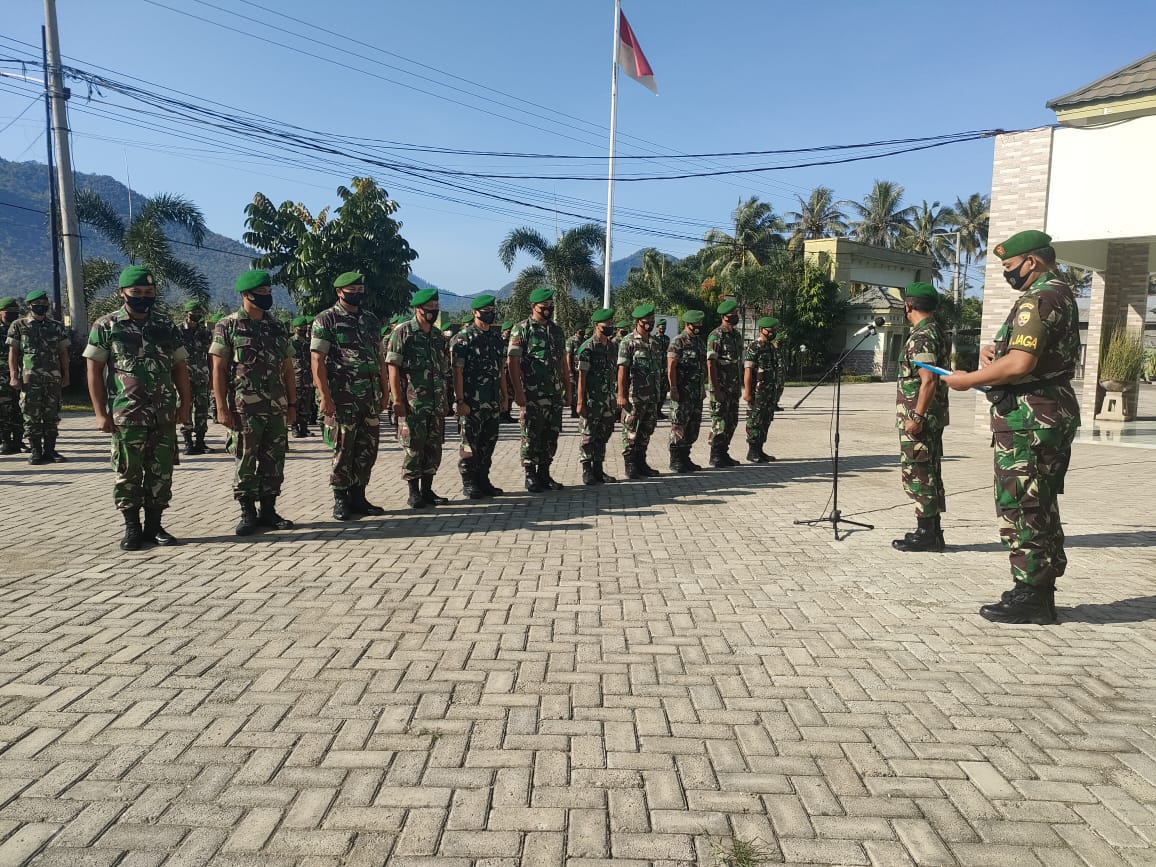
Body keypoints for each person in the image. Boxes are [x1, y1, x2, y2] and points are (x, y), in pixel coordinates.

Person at [946, 230, 1080, 625]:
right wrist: (994, 353)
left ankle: (1032, 596)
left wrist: (969, 378)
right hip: (1046, 410)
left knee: (1022, 502)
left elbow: (1021, 365)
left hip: (1030, 416)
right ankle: (1036, 587)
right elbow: (1024, 353)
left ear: (1032, 262)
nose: (1008, 274)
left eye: (1009, 267)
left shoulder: (1039, 297)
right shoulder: (1061, 293)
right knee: (1040, 499)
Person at [83, 266, 191, 550]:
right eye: (137, 292)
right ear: (122, 293)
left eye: (148, 292)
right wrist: (100, 413)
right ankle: (132, 528)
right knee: (128, 472)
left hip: (163, 413)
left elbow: (180, 368)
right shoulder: (106, 326)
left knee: (161, 471)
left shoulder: (166, 326)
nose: (143, 297)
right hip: (127, 414)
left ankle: (154, 528)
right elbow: (93, 370)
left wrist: (185, 405)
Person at [211, 270, 297, 536]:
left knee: (274, 460)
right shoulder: (228, 326)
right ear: (245, 295)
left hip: (275, 406)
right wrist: (222, 408)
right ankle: (248, 513)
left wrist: (293, 404)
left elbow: (287, 368)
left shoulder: (276, 326)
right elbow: (218, 369)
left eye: (269, 293)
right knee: (245, 459)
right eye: (261, 294)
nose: (266, 298)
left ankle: (269, 511)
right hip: (243, 408)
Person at [311, 271, 389, 521]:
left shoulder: (371, 320)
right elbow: (317, 360)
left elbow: (379, 358)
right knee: (344, 448)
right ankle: (340, 499)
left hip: (369, 397)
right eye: (351, 290)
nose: (357, 294)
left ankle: (359, 496)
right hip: (341, 397)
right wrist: (324, 396)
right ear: (339, 292)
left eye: (359, 289)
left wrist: (385, 391)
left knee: (368, 448)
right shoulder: (326, 320)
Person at [892, 283, 950, 553]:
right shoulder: (936, 331)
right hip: (931, 418)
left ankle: (927, 533)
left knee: (919, 473)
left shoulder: (922, 337)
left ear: (908, 306)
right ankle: (931, 530)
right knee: (928, 471)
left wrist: (916, 416)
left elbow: (928, 381)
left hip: (920, 420)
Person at [388, 288, 451, 508]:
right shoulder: (403, 333)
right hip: (412, 404)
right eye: (429, 309)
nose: (433, 313)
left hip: (435, 402)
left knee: (433, 447)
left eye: (435, 308)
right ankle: (413, 492)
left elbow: (443, 370)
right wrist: (396, 399)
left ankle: (428, 490)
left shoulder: (437, 336)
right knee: (414, 447)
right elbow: (393, 368)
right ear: (418, 309)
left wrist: (445, 398)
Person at [508, 287, 570, 492]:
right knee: (531, 434)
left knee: (551, 434)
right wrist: (518, 391)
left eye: (551, 307)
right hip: (531, 394)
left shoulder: (556, 330)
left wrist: (567, 389)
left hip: (553, 393)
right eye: (544, 307)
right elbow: (513, 361)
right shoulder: (522, 329)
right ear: (534, 307)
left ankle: (544, 472)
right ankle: (530, 474)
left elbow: (563, 362)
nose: (548, 310)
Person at [451, 294, 507, 499]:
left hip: (491, 401)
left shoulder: (496, 338)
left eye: (492, 310)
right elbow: (457, 372)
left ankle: (484, 480)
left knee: (488, 443)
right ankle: (469, 483)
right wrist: (459, 401)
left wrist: (505, 396)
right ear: (475, 312)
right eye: (486, 311)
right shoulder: (463, 339)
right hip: (471, 402)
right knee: (469, 444)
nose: (490, 314)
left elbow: (500, 370)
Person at [7, 289, 70, 465]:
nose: (41, 307)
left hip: (53, 379)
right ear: (29, 305)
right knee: (31, 416)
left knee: (52, 416)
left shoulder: (56, 326)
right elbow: (13, 353)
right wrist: (14, 376)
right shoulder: (19, 326)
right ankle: (35, 451)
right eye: (37, 304)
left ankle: (50, 450)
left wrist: (66, 375)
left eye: (44, 304)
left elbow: (63, 352)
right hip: (30, 379)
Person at [618, 303, 662, 479]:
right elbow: (622, 371)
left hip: (651, 396)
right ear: (638, 322)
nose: (649, 324)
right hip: (633, 396)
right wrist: (621, 395)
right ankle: (630, 464)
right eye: (646, 321)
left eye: (652, 321)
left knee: (646, 430)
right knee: (631, 430)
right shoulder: (628, 342)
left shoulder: (655, 343)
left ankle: (641, 462)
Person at [576, 308, 618, 485]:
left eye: (610, 324)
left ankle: (598, 469)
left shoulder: (611, 346)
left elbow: (613, 373)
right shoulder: (588, 348)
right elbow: (582, 376)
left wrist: (614, 396)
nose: (609, 327)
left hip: (607, 398)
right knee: (588, 435)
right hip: (591, 399)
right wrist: (580, 401)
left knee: (603, 434)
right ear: (596, 326)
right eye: (605, 325)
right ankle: (587, 470)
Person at [667, 310, 707, 473]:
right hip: (682, 392)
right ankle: (675, 459)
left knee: (693, 427)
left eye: (699, 325)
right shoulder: (678, 342)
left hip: (696, 393)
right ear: (687, 325)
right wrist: (673, 388)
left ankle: (685, 457)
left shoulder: (699, 343)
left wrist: (702, 388)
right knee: (679, 426)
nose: (697, 328)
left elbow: (702, 368)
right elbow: (671, 367)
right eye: (694, 326)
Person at [706, 299, 743, 467]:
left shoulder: (736, 336)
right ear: (724, 316)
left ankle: (723, 452)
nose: (736, 316)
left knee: (732, 421)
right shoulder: (716, 335)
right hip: (720, 387)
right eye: (733, 314)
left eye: (736, 313)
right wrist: (715, 389)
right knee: (719, 422)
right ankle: (715, 454)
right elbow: (711, 363)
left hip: (733, 387)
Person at [177, 300, 213, 455]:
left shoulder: (205, 332)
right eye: (194, 313)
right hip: (183, 376)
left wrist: (211, 376)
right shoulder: (178, 331)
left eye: (199, 313)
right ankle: (187, 442)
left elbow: (211, 355)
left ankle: (200, 441)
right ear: (187, 313)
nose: (196, 315)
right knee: (185, 406)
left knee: (202, 409)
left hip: (202, 375)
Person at [743, 316, 780, 463]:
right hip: (757, 392)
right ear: (761, 330)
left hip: (769, 392)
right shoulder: (754, 346)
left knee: (766, 420)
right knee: (755, 420)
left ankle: (760, 449)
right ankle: (752, 451)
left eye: (774, 331)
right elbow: (748, 370)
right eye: (769, 331)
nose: (772, 333)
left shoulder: (771, 347)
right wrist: (747, 392)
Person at [0, 297, 24, 455]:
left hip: (20, 373)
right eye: (9, 313)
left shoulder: (21, 329)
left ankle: (18, 440)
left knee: (20, 408)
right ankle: (5, 441)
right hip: (2, 376)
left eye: (16, 313)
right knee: (3, 409)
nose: (12, 316)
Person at [290, 315, 315, 437]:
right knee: (295, 404)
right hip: (295, 378)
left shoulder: (309, 343)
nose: (303, 330)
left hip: (308, 378)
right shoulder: (290, 343)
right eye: (301, 328)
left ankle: (304, 428)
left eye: (305, 328)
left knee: (306, 405)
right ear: (295, 329)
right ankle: (294, 428)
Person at [565, 325, 586, 418]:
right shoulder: (571, 340)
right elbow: (568, 355)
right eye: (580, 329)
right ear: (576, 330)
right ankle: (574, 410)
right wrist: (569, 370)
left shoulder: (585, 340)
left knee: (582, 388)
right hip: (574, 369)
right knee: (574, 390)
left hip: (583, 368)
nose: (582, 331)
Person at [652, 317, 671, 420]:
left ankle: (659, 411)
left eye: (664, 327)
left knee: (664, 391)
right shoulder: (653, 339)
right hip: (656, 368)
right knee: (656, 390)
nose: (663, 329)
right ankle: (654, 411)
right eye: (661, 327)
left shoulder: (667, 339)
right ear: (657, 327)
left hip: (665, 368)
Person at [499, 320, 516, 423]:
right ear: (503, 331)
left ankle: (507, 413)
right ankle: (501, 414)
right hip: (503, 370)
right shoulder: (500, 342)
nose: (509, 333)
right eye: (508, 331)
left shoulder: (512, 342)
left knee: (510, 393)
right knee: (503, 392)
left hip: (510, 370)